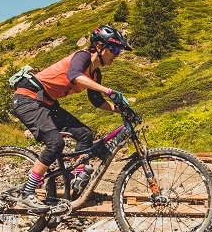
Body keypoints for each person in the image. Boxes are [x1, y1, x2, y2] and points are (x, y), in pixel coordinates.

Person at [11, 25, 133, 211]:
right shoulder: (82, 57)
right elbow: (74, 76)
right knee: (55, 143)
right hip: (27, 99)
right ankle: (28, 193)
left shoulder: (95, 74)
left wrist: (122, 110)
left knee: (85, 134)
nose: (117, 55)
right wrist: (109, 90)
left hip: (47, 103)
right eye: (115, 49)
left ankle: (77, 180)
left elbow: (97, 102)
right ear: (99, 47)